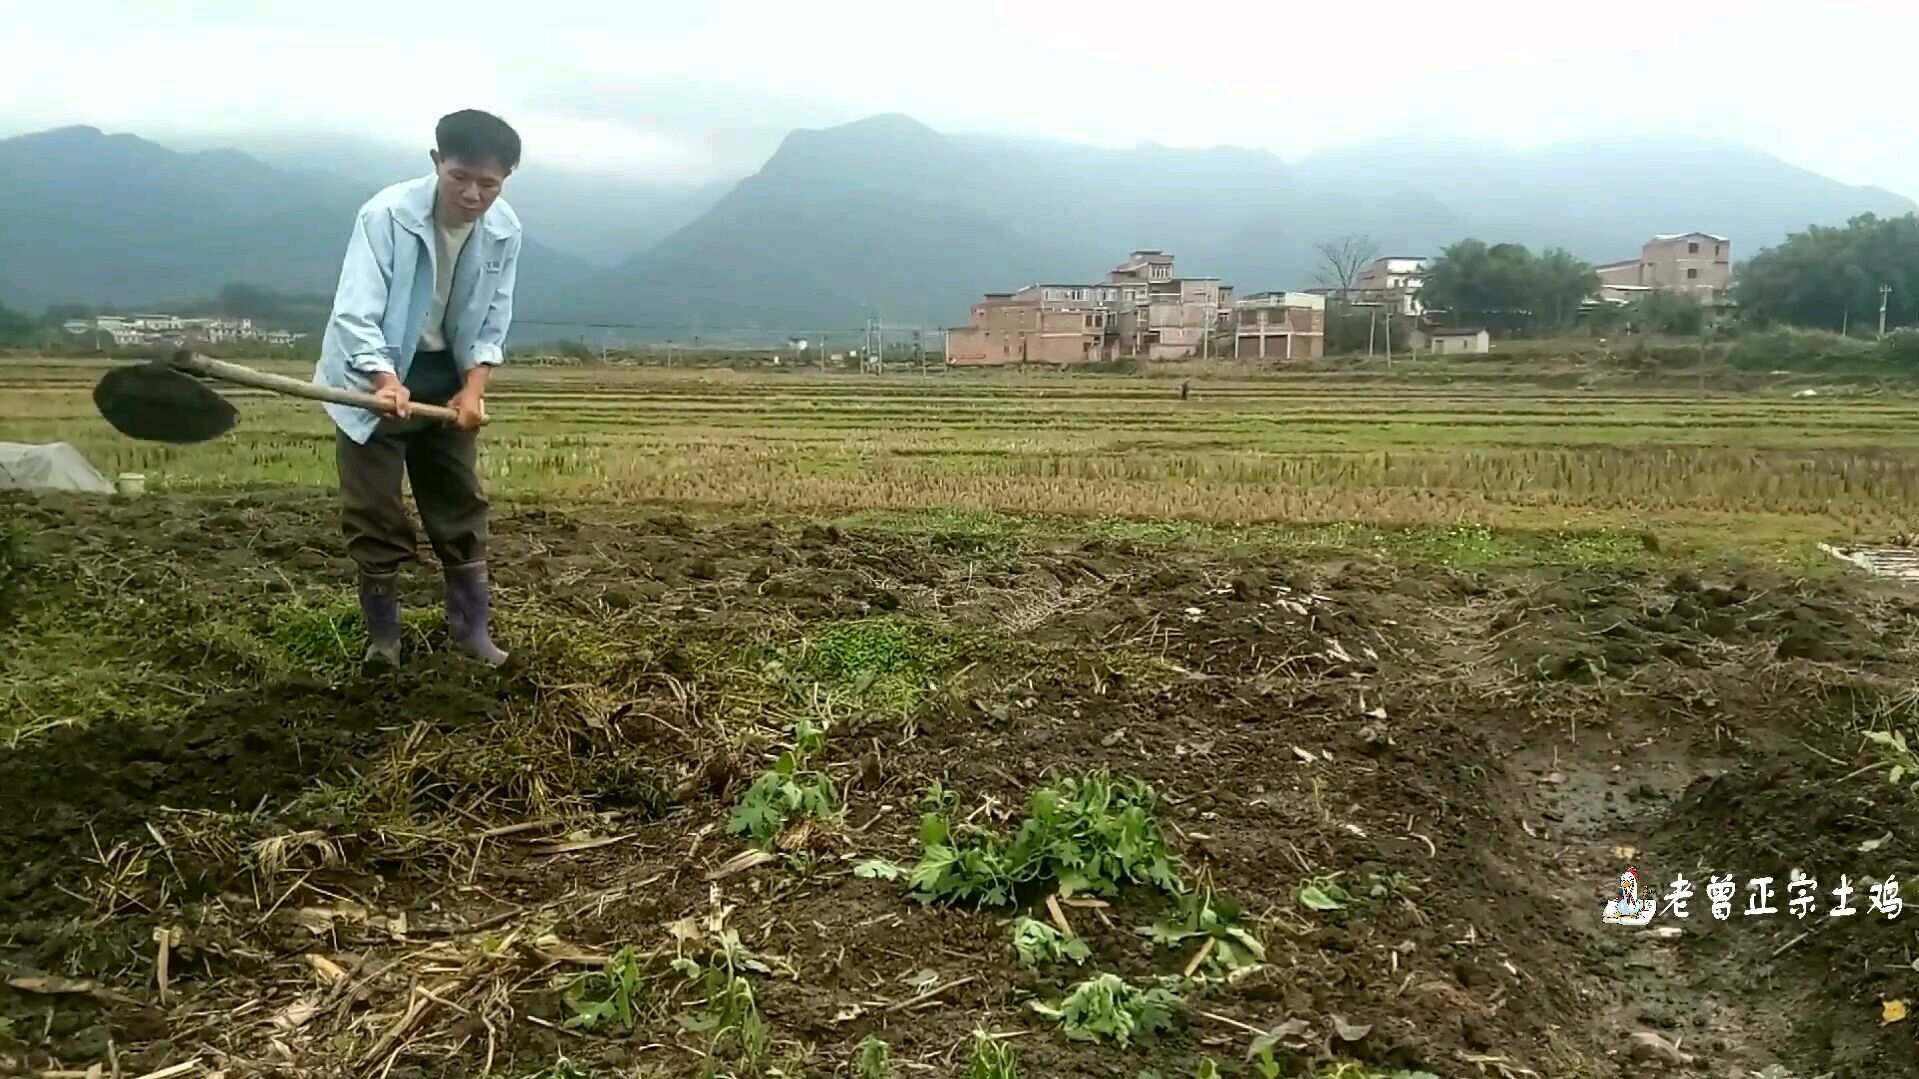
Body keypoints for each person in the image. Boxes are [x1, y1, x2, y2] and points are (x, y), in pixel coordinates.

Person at [313, 109, 523, 667]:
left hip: (444, 374)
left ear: (505, 181)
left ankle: (472, 635)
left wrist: (474, 386)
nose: (474, 194)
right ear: (437, 163)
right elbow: (355, 311)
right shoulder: (385, 216)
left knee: (458, 498)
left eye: (489, 183)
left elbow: (492, 317)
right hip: (371, 374)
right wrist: (385, 379)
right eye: (461, 178)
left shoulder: (505, 230)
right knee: (374, 506)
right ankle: (384, 642)